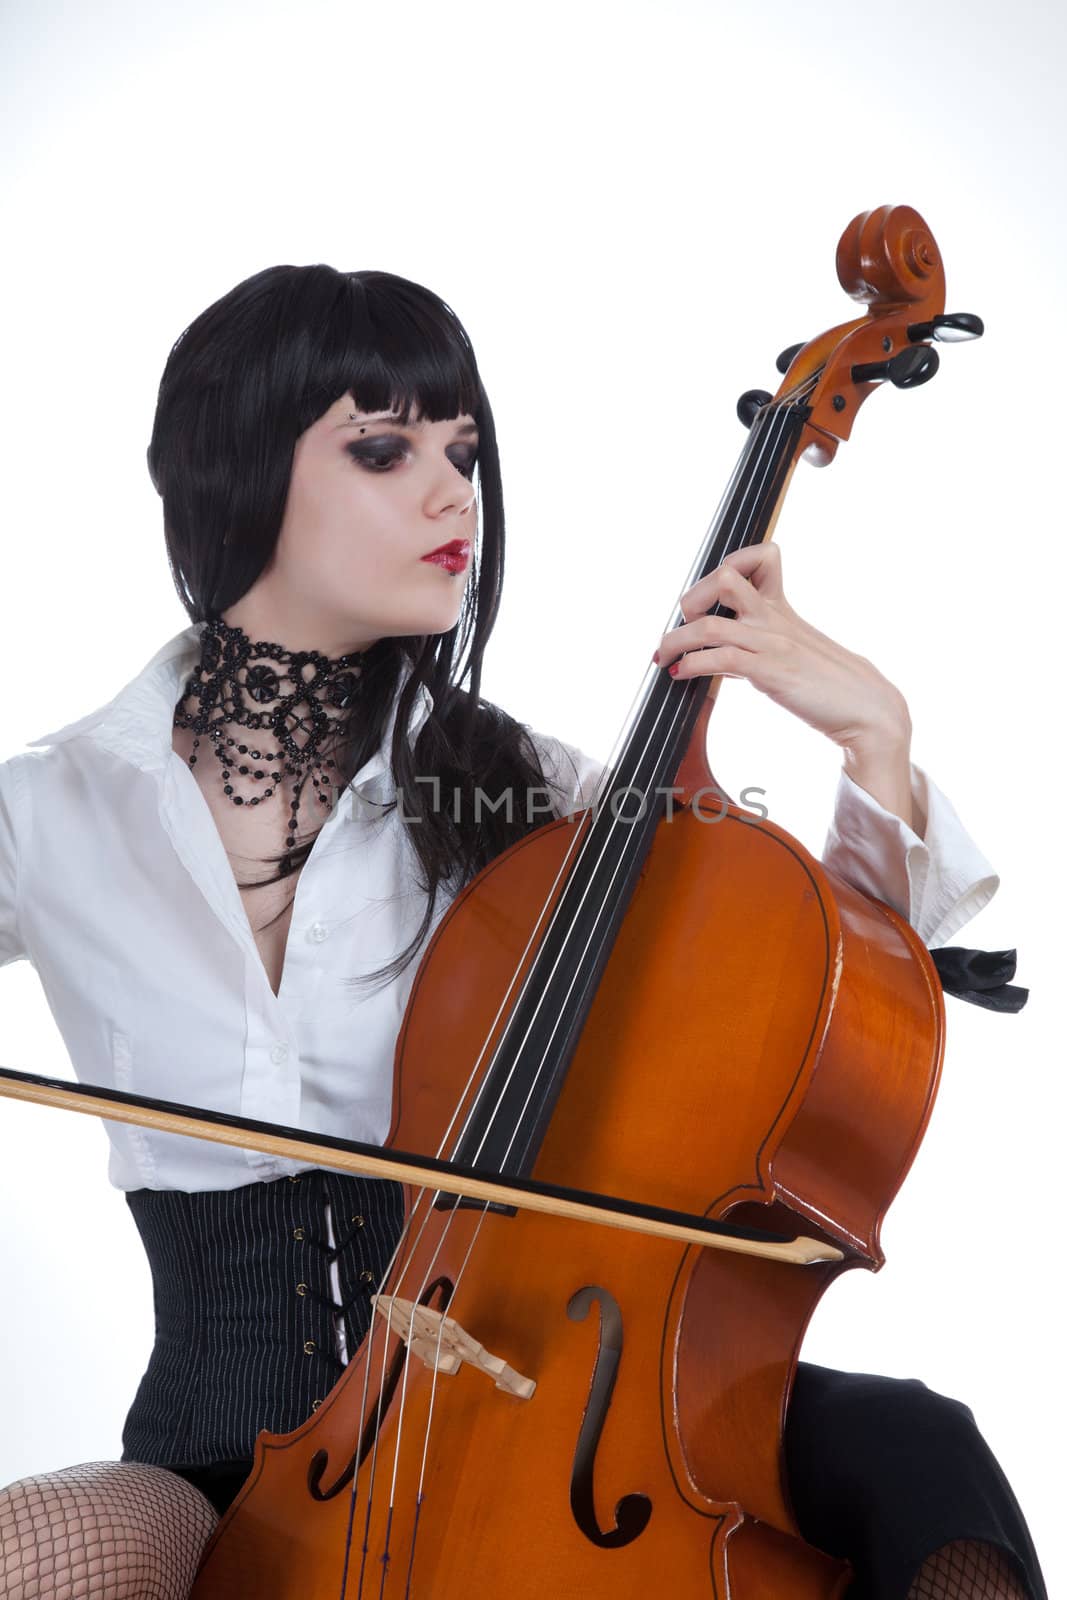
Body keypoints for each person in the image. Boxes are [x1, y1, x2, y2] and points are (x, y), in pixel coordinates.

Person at [0, 265, 1046, 1600]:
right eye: (385, 451)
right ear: (235, 469)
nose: (455, 498)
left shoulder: (527, 801)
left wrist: (872, 738)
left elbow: (807, 978)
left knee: (914, 1446)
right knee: (37, 1557)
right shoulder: (48, 809)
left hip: (547, 1408)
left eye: (465, 453)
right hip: (229, 1459)